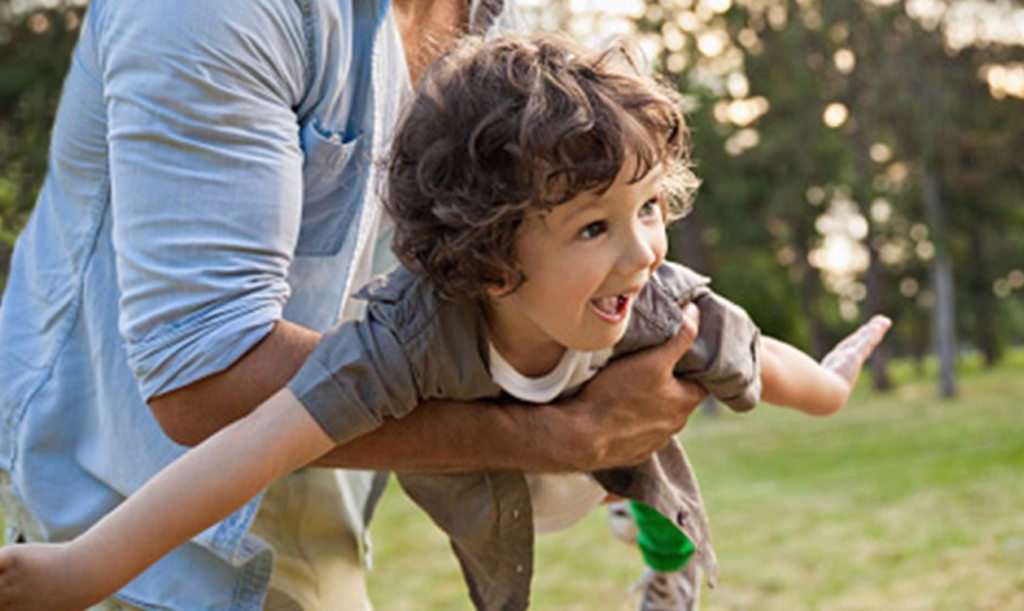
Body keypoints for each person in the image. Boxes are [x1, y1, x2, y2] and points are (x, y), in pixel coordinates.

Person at [0, 33, 891, 611]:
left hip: (615, 455)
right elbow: (247, 443)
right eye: (595, 225)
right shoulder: (407, 339)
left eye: (651, 207)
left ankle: (663, 567)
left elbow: (762, 360)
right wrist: (80, 571)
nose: (644, 250)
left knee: (657, 502)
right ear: (496, 259)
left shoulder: (658, 302)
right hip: (469, 470)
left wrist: (833, 387)